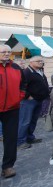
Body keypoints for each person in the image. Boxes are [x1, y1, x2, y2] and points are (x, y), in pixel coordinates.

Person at [0, 45, 24, 179]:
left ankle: (7, 166)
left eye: (9, 51)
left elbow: (23, 85)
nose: (7, 53)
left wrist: (19, 97)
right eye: (3, 51)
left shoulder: (16, 67)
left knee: (10, 139)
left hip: (12, 108)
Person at [17, 56, 50, 150]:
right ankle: (20, 142)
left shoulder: (40, 71)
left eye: (42, 61)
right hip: (28, 101)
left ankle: (29, 137)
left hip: (39, 100)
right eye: (38, 61)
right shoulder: (26, 72)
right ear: (31, 62)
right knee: (24, 121)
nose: (41, 62)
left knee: (33, 120)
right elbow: (20, 86)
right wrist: (27, 96)